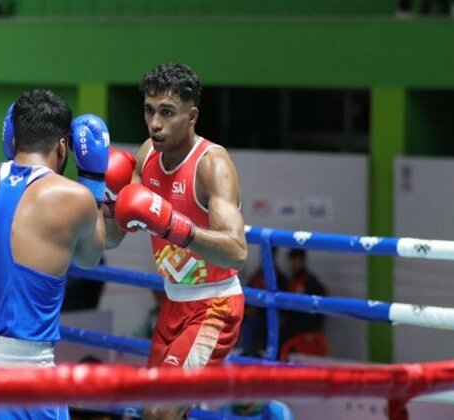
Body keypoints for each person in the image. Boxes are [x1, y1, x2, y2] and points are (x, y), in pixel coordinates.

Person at [0, 89, 108, 419]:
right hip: (25, 382)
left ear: (12, 138)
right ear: (63, 146)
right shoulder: (73, 196)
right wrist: (93, 180)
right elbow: (91, 257)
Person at [105, 63, 248, 419]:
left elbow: (238, 251)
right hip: (172, 305)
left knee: (161, 412)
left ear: (191, 115)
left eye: (167, 112)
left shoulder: (212, 165)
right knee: (151, 410)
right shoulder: (147, 155)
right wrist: (105, 197)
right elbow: (111, 240)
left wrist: (174, 226)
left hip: (214, 306)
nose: (155, 123)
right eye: (149, 111)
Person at [238, 247, 286, 357]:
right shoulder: (256, 275)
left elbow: (284, 301)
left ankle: (271, 357)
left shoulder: (280, 277)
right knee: (247, 321)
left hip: (272, 315)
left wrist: (282, 316)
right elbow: (247, 296)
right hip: (257, 315)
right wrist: (248, 309)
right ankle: (247, 353)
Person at [278, 248, 328, 347]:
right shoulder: (291, 280)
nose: (293, 264)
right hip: (291, 325)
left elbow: (316, 309)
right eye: (291, 261)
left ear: (302, 261)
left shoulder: (310, 281)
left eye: (296, 260)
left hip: (305, 327)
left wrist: (312, 329)